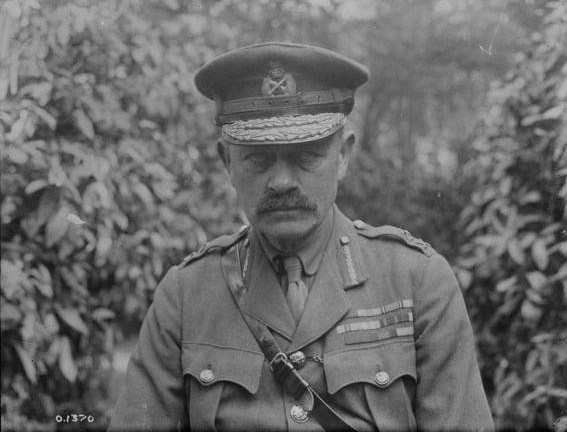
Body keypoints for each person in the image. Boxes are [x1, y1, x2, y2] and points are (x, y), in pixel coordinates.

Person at [108, 42, 494, 431]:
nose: (281, 182)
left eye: (306, 155)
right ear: (228, 162)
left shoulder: (419, 281)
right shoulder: (185, 295)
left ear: (343, 155)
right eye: (258, 158)